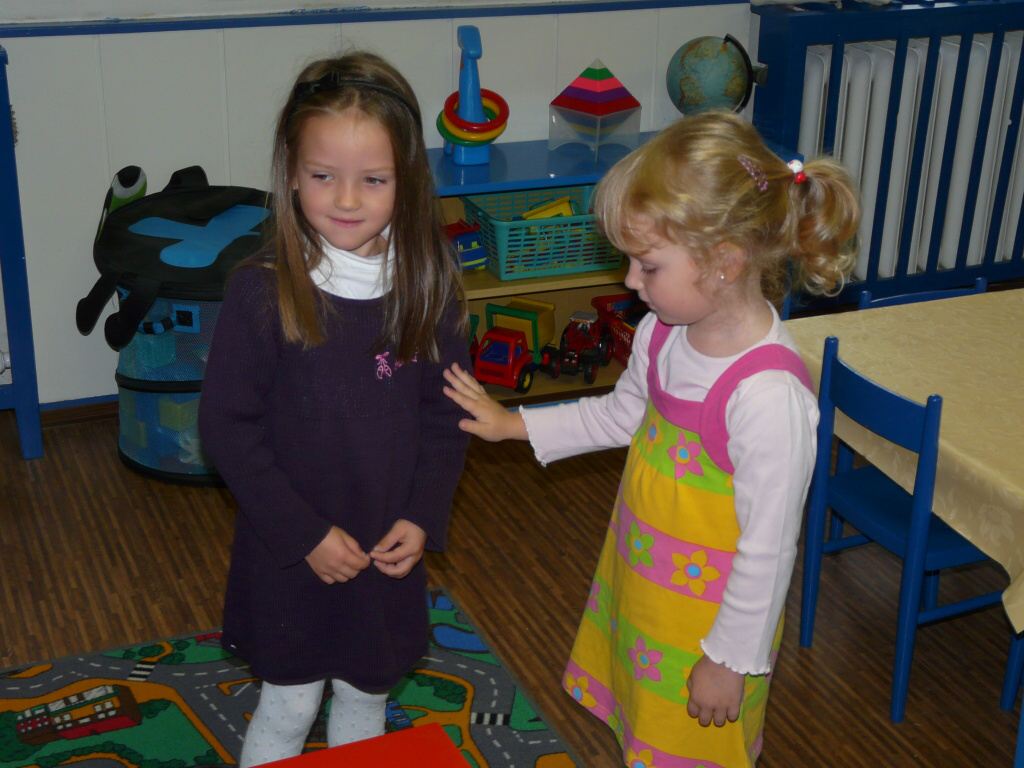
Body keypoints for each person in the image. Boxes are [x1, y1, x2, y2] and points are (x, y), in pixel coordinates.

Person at [442, 111, 859, 767]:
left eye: (648, 265)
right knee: (649, 734)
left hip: (710, 628)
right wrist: (511, 424)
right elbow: (619, 416)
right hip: (647, 591)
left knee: (695, 751)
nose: (630, 282)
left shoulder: (768, 397)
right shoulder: (663, 335)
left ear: (724, 263)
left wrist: (728, 660)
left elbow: (769, 548)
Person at [198, 51, 469, 767]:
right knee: (290, 703)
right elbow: (226, 428)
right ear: (291, 171)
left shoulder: (429, 287)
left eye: (373, 179)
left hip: (385, 549)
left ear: (407, 181)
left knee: (366, 695)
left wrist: (422, 515)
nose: (347, 200)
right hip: (291, 549)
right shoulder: (260, 292)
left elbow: (448, 418)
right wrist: (305, 534)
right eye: (324, 176)